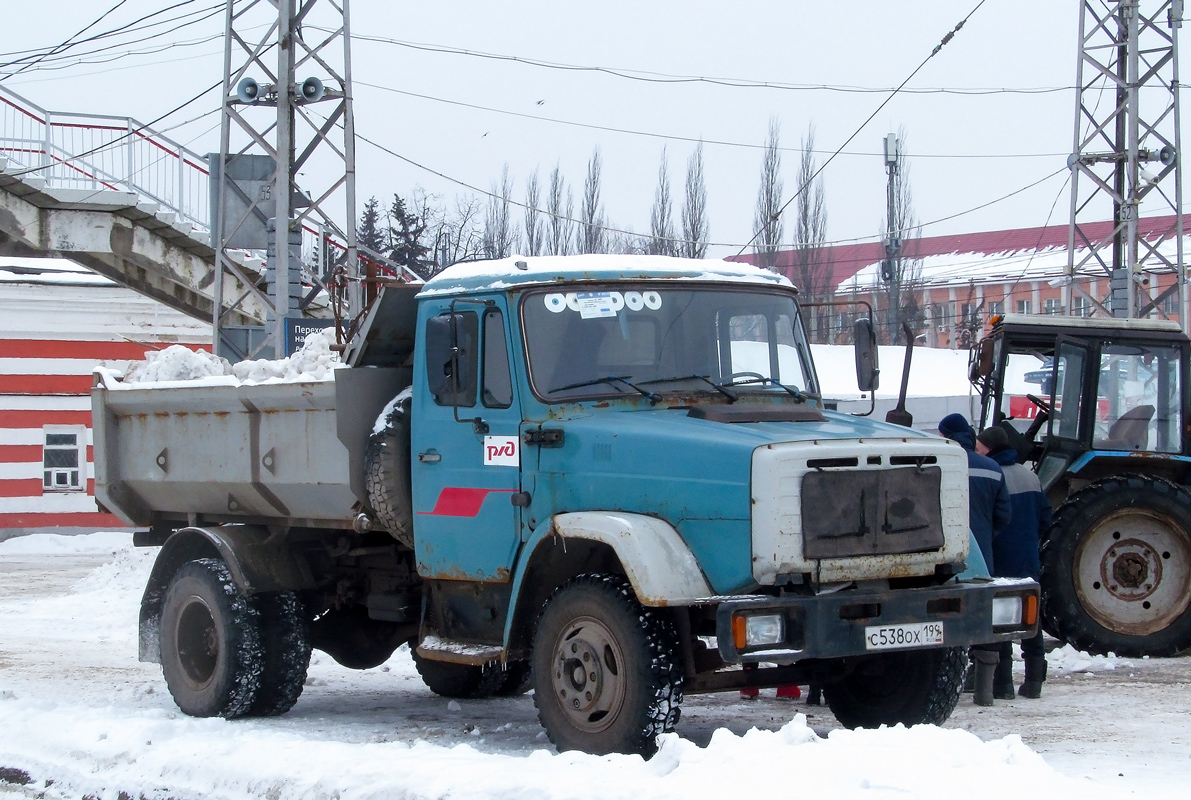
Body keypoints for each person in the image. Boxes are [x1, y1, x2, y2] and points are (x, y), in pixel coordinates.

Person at [938, 412, 1011, 706]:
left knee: (945, 618)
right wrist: (982, 539)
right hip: (982, 559)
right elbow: (1003, 516)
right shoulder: (992, 468)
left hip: (943, 562)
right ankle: (984, 690)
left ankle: (947, 682)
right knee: (983, 618)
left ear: (947, 436)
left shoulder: (937, 463)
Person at [976, 425, 1051, 699]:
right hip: (1027, 558)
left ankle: (1003, 684)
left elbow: (994, 518)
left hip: (999, 556)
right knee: (1031, 619)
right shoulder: (1030, 476)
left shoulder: (991, 474)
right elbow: (1045, 519)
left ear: (989, 448)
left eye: (979, 445)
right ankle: (1034, 682)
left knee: (1001, 618)